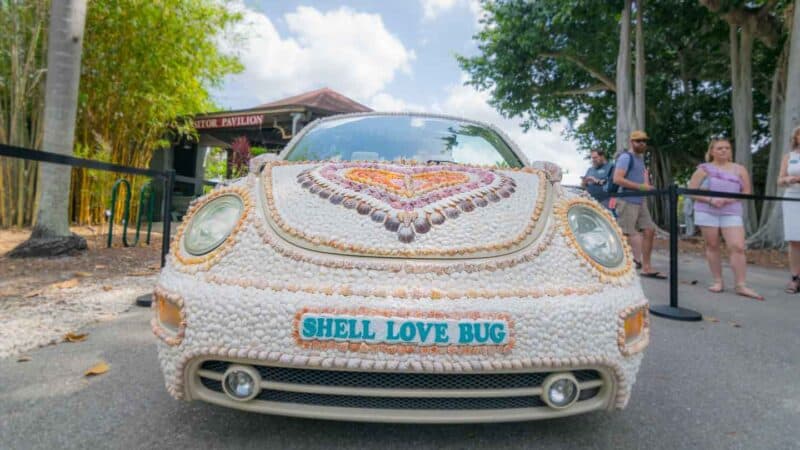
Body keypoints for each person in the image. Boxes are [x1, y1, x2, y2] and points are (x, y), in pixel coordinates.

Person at [687, 138, 763, 300]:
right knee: (712, 245)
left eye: (727, 148)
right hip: (706, 211)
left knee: (737, 246)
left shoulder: (739, 169)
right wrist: (710, 200)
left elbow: (747, 192)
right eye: (719, 148)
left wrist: (728, 200)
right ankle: (717, 281)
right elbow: (691, 191)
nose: (723, 151)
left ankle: (741, 285)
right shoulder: (703, 169)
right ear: (712, 151)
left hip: (732, 211)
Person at [612, 130, 665, 278]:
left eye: (644, 141)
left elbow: (642, 180)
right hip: (627, 201)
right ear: (631, 142)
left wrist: (647, 187)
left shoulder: (640, 159)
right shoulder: (625, 157)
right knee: (625, 234)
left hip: (640, 201)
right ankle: (616, 266)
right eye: (638, 141)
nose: (642, 143)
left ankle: (646, 267)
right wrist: (642, 187)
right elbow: (617, 179)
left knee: (649, 230)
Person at [779, 126, 800, 293]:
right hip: (792, 198)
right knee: (794, 240)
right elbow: (779, 180)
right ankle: (794, 278)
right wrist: (788, 179)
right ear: (796, 137)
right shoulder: (789, 157)